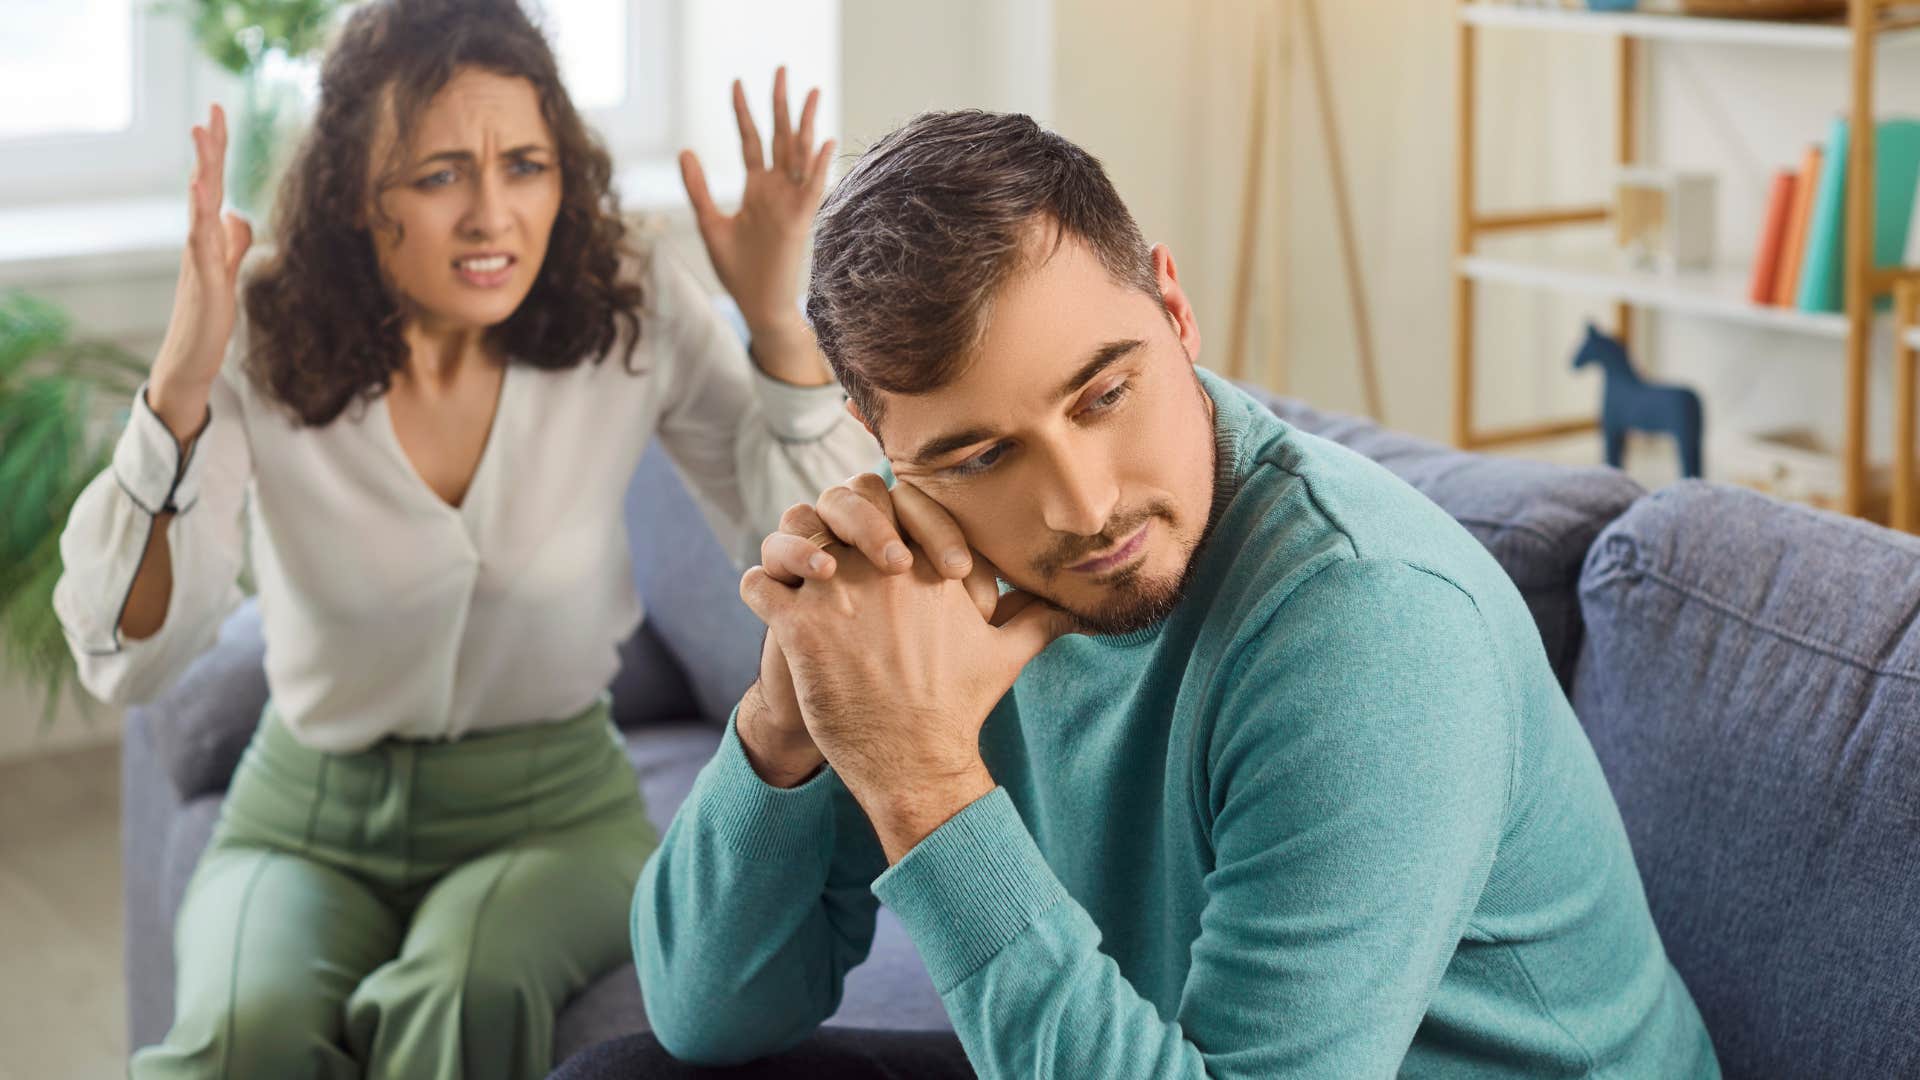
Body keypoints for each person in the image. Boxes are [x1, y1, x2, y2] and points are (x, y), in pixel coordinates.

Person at [587, 110, 1722, 1078]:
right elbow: (708, 1015)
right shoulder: (919, 578)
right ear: (884, 446)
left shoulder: (1370, 623)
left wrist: (925, 786)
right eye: (981, 457)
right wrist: (788, 723)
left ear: (1174, 307)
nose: (1081, 506)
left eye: (1103, 394)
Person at [51, 1, 875, 1076]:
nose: (494, 214)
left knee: (458, 993)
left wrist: (774, 324)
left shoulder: (627, 304)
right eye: (441, 175)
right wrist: (178, 389)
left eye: (526, 165)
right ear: (357, 192)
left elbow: (820, 563)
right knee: (241, 1034)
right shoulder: (265, 329)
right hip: (303, 809)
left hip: (553, 815)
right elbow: (133, 653)